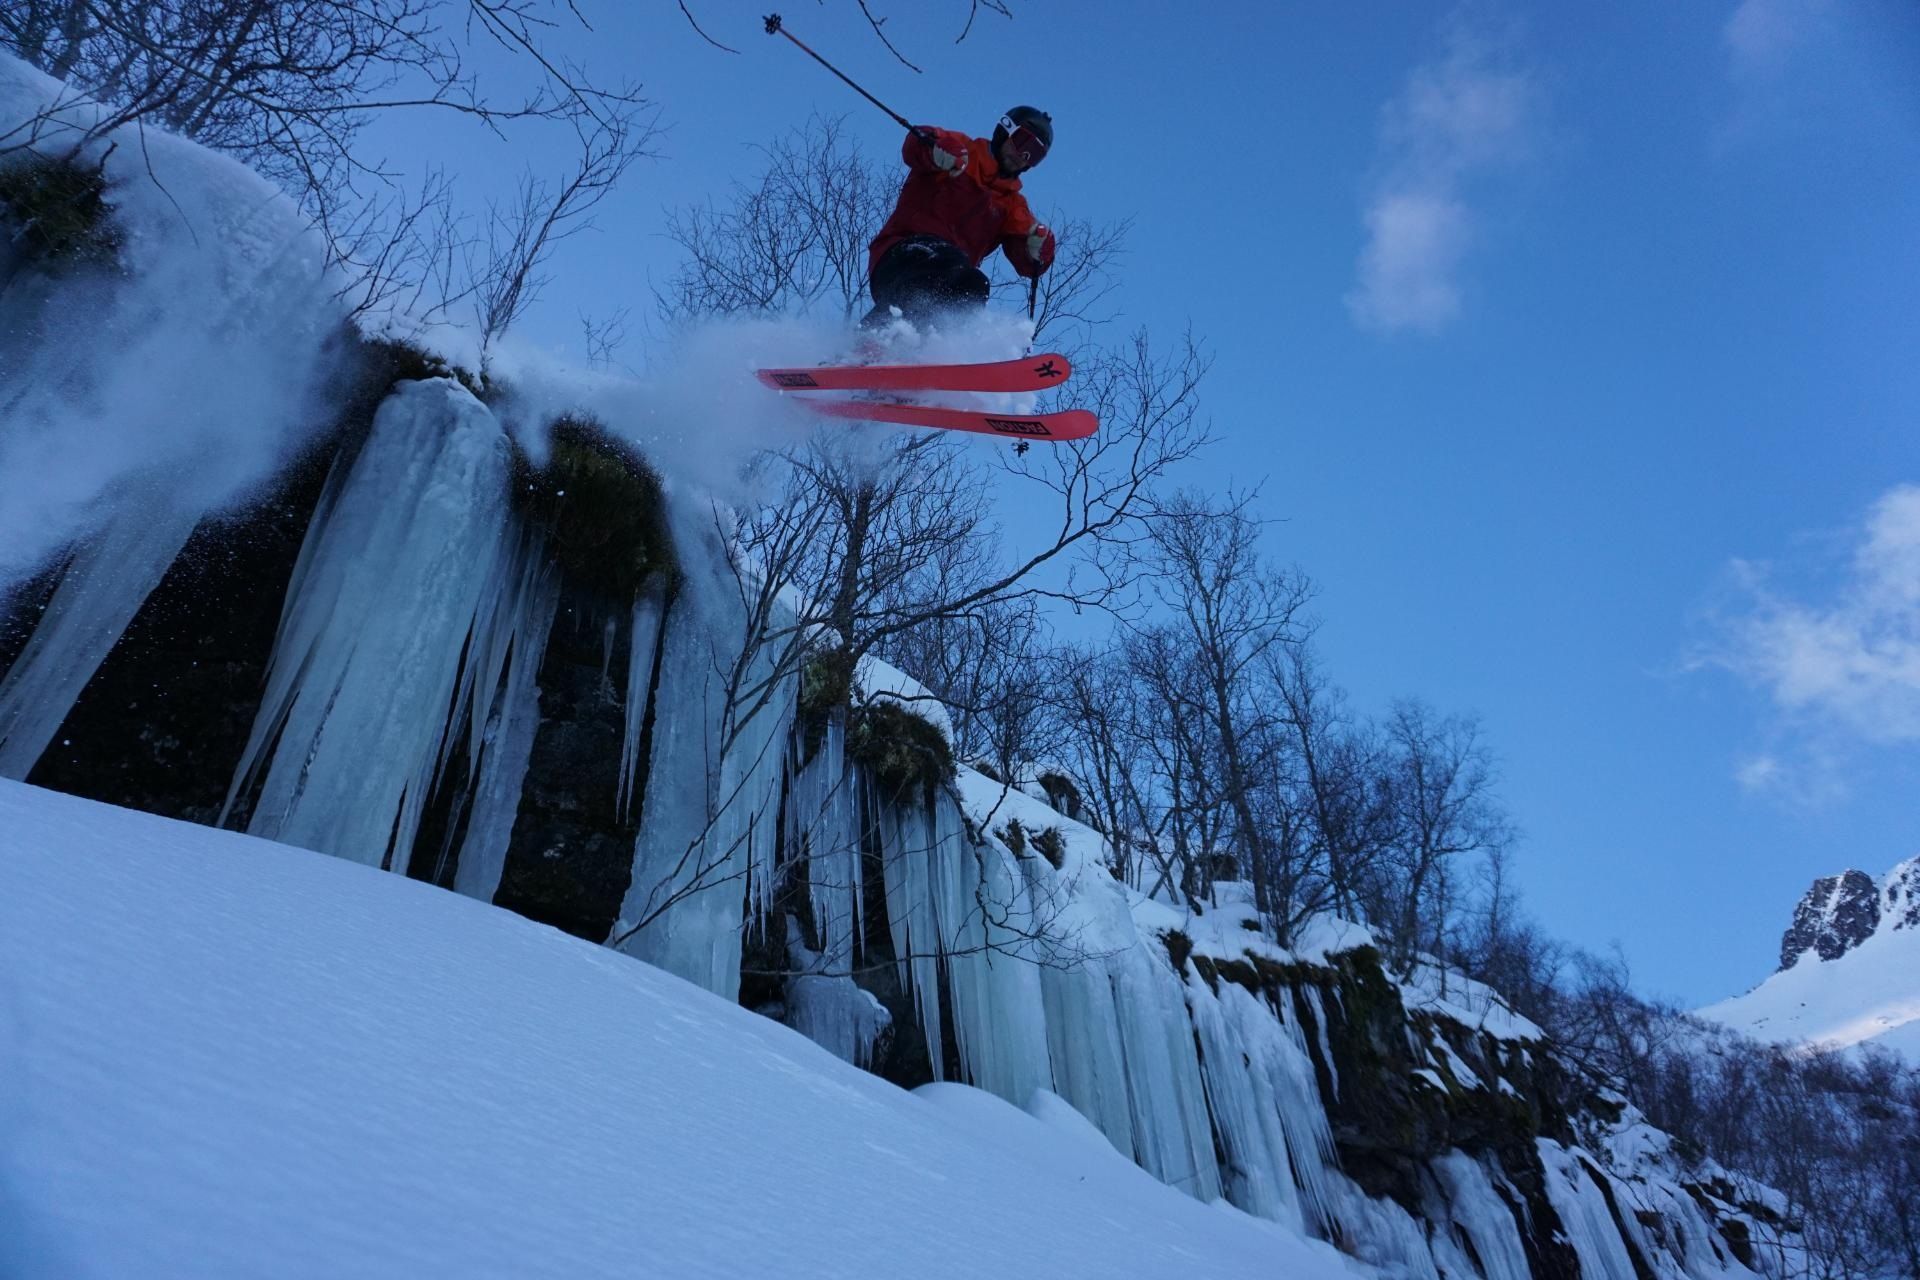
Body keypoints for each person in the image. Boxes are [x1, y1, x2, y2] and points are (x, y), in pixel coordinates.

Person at [862, 106, 1057, 328]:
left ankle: (931, 349)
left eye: (1035, 156)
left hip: (950, 273)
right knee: (941, 268)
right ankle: (873, 338)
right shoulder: (963, 152)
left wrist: (1038, 250)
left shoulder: (1011, 204)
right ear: (1006, 130)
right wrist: (936, 151)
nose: (1023, 157)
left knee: (973, 287)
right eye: (1024, 143)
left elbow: (1027, 261)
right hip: (900, 253)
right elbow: (915, 145)